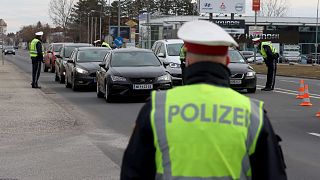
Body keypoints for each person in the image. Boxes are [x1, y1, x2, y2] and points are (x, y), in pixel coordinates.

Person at [121, 20, 287, 180]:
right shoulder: (252, 114)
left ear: (188, 60)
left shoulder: (157, 108)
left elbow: (134, 173)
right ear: (227, 61)